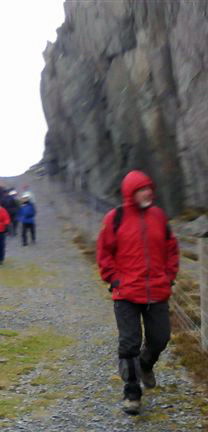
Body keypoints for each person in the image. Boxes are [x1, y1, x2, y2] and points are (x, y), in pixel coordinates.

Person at [97, 170, 179, 416]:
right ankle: (132, 392)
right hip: (126, 293)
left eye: (150, 188)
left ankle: (146, 365)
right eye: (143, 189)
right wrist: (114, 278)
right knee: (129, 343)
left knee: (160, 338)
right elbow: (104, 252)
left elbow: (171, 248)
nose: (148, 192)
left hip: (157, 291)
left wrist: (169, 275)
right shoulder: (116, 217)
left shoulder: (159, 216)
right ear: (131, 193)